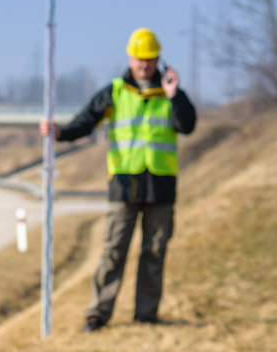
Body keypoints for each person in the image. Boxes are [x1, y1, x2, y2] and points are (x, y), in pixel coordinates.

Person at [40, 28, 196, 330]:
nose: (144, 65)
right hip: (124, 186)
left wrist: (175, 95)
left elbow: (187, 125)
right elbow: (86, 122)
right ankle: (98, 314)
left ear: (158, 60)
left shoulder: (170, 93)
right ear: (130, 58)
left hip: (161, 187)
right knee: (113, 251)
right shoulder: (115, 92)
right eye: (139, 59)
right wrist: (60, 132)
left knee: (154, 251)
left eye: (150, 60)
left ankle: (146, 314)